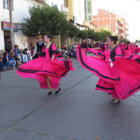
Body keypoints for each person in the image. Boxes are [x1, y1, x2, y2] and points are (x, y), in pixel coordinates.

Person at [76, 35, 140, 104]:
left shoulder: (117, 49)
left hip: (115, 69)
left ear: (112, 41)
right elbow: (103, 54)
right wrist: (90, 55)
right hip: (111, 67)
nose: (107, 42)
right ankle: (116, 97)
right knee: (112, 83)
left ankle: (117, 98)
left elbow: (119, 58)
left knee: (115, 83)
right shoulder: (111, 48)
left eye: (108, 40)